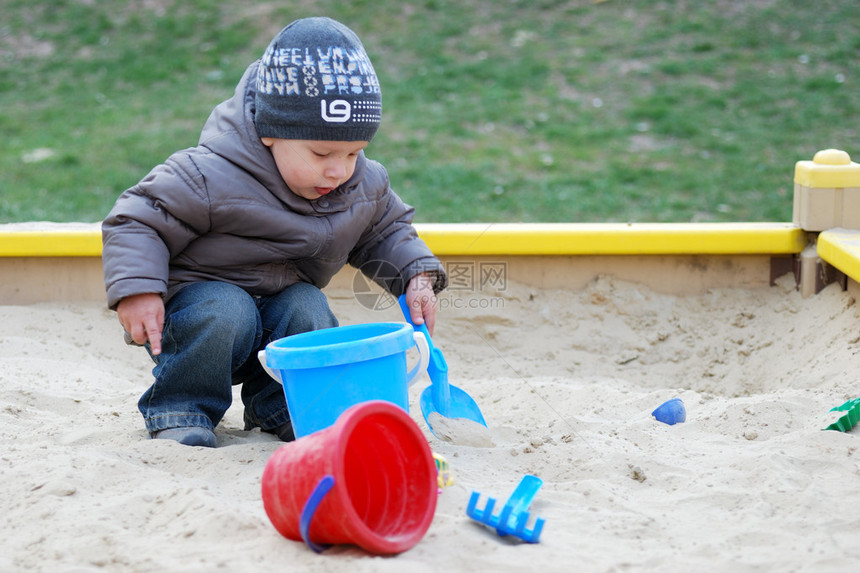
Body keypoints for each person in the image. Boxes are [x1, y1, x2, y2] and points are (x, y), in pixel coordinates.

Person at [101, 17, 447, 448]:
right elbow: (137, 218)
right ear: (270, 132)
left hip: (277, 317)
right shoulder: (210, 173)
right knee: (227, 307)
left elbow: (386, 230)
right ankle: (181, 407)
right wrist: (137, 290)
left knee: (307, 307)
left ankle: (286, 407)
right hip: (197, 319)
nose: (338, 170)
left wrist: (416, 273)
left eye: (355, 152)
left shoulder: (360, 184)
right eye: (321, 153)